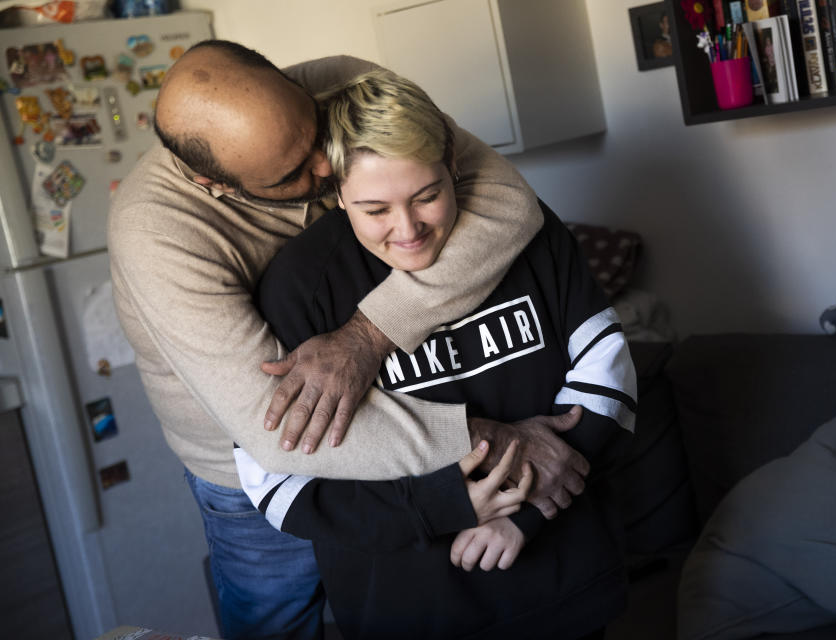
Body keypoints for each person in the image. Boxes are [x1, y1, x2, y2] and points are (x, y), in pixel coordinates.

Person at [108, 40, 591, 639]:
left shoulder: (341, 86)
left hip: (400, 413)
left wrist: (369, 336)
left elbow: (509, 204)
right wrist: (489, 437)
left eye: (314, 136)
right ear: (217, 184)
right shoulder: (156, 232)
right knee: (276, 622)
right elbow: (276, 429)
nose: (326, 168)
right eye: (292, 174)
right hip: (262, 468)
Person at [237, 69, 638, 639]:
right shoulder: (298, 286)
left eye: (428, 196)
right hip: (408, 610)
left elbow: (608, 376)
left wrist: (527, 514)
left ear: (454, 162)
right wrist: (444, 505)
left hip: (562, 587)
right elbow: (275, 483)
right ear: (335, 192)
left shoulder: (526, 227)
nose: (408, 231)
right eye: (374, 209)